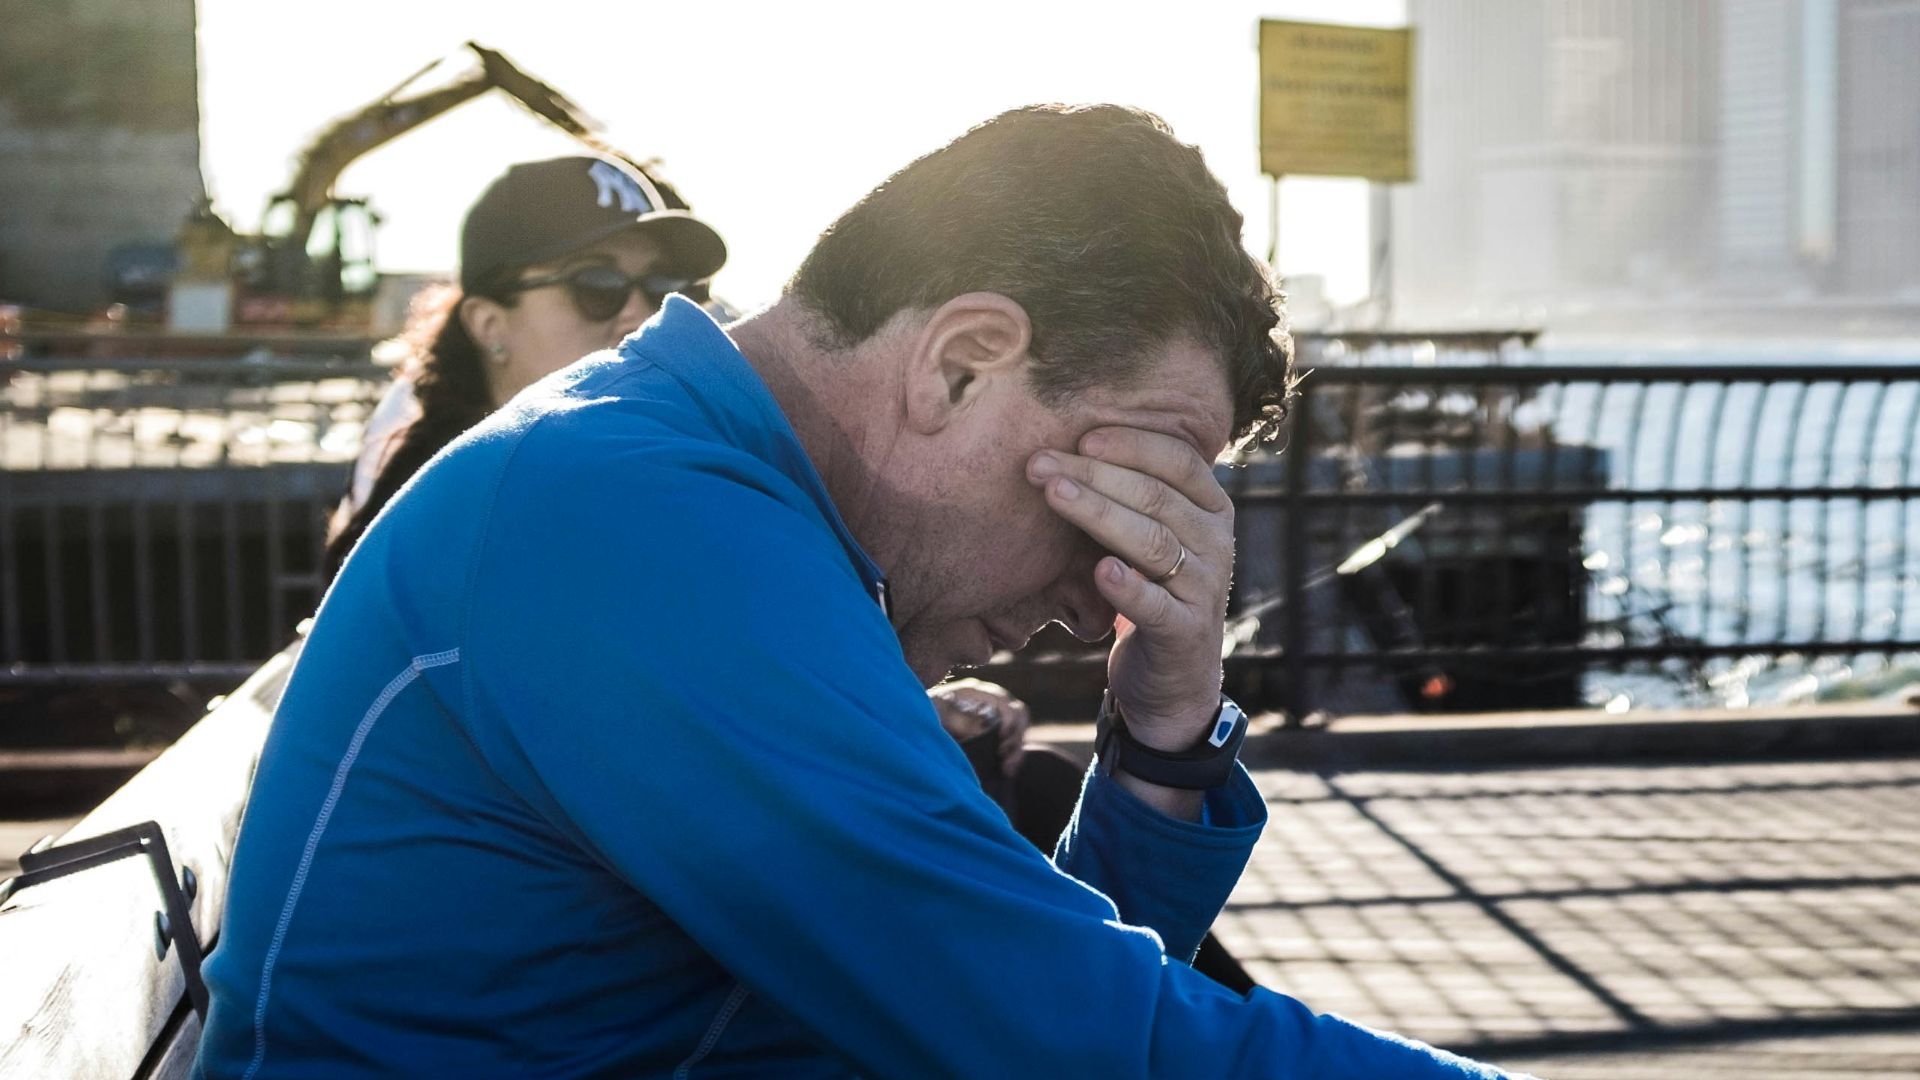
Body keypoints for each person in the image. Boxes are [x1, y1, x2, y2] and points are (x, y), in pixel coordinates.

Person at [197, 105, 1532, 1078]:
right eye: (1136, 475)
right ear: (960, 363)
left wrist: (1166, 730)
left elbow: (1022, 987)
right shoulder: (648, 526)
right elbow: (1050, 1037)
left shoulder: (693, 483)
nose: (1111, 585)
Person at [322, 153, 728, 582]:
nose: (642, 315)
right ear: (489, 325)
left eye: (663, 286)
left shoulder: (689, 465)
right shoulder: (439, 511)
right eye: (597, 283)